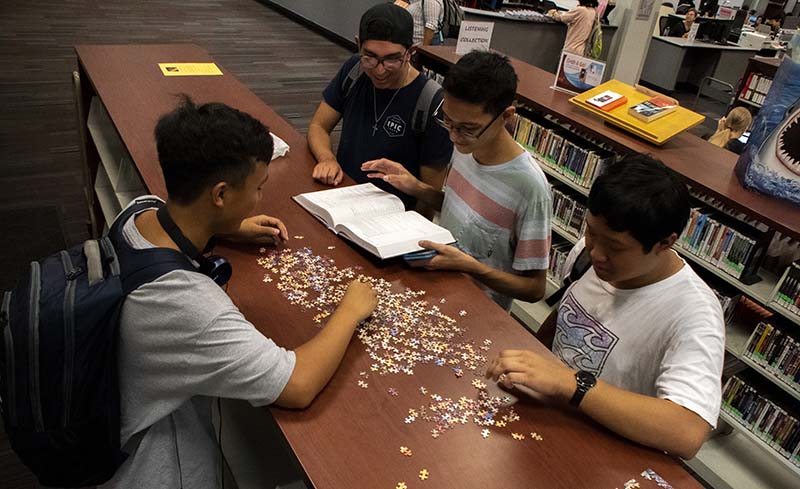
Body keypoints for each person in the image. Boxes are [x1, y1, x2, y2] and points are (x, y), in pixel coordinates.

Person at [100, 98, 378, 488]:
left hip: (117, 401)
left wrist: (227, 228)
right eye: (258, 188)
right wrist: (349, 311)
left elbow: (172, 219)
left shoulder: (136, 212)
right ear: (219, 195)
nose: (260, 199)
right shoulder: (191, 306)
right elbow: (296, 386)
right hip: (150, 468)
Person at [486, 155, 725, 460]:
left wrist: (570, 383)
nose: (596, 252)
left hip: (603, 455)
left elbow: (687, 432)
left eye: (615, 247)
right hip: (546, 427)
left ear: (665, 243)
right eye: (590, 232)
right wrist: (533, 358)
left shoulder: (694, 315)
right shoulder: (589, 256)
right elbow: (567, 313)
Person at [361, 51, 552, 309]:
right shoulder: (465, 147)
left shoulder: (531, 188)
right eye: (448, 121)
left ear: (507, 116)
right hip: (436, 288)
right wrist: (416, 187)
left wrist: (472, 267)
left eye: (467, 128)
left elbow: (535, 288)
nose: (454, 135)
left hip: (478, 311)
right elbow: (463, 211)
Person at [308, 3, 453, 210]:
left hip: (390, 220)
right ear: (358, 45)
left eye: (392, 59)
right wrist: (327, 159)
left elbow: (430, 198)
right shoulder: (355, 70)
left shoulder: (431, 101)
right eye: (370, 57)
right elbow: (318, 126)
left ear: (410, 52)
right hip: (341, 198)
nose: (380, 70)